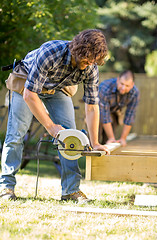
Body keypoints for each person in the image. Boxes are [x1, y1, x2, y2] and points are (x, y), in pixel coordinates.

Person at [0, 29, 109, 202]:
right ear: (77, 51)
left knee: (71, 137)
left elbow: (92, 106)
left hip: (56, 89)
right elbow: (30, 95)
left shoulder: (91, 68)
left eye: (93, 61)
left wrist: (95, 142)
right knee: (16, 134)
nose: (89, 64)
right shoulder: (50, 52)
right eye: (86, 59)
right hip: (27, 84)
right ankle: (6, 187)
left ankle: (70, 191)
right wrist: (51, 127)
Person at [99, 70, 140, 146]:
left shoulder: (135, 93)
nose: (123, 88)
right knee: (97, 138)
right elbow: (104, 115)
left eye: (127, 86)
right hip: (98, 111)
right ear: (118, 80)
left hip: (114, 112)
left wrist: (123, 138)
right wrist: (111, 138)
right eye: (122, 84)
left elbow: (130, 116)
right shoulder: (105, 87)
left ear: (132, 85)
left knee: (108, 141)